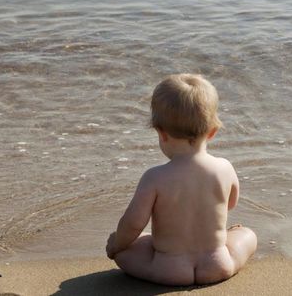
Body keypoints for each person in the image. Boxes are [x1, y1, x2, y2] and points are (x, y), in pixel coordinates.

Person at [105, 73, 257, 285]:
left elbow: (133, 224)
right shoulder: (224, 168)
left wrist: (116, 245)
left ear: (161, 133)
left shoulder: (155, 177)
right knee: (247, 235)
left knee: (126, 251)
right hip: (217, 264)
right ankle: (230, 245)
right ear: (212, 132)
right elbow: (230, 204)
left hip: (168, 269)